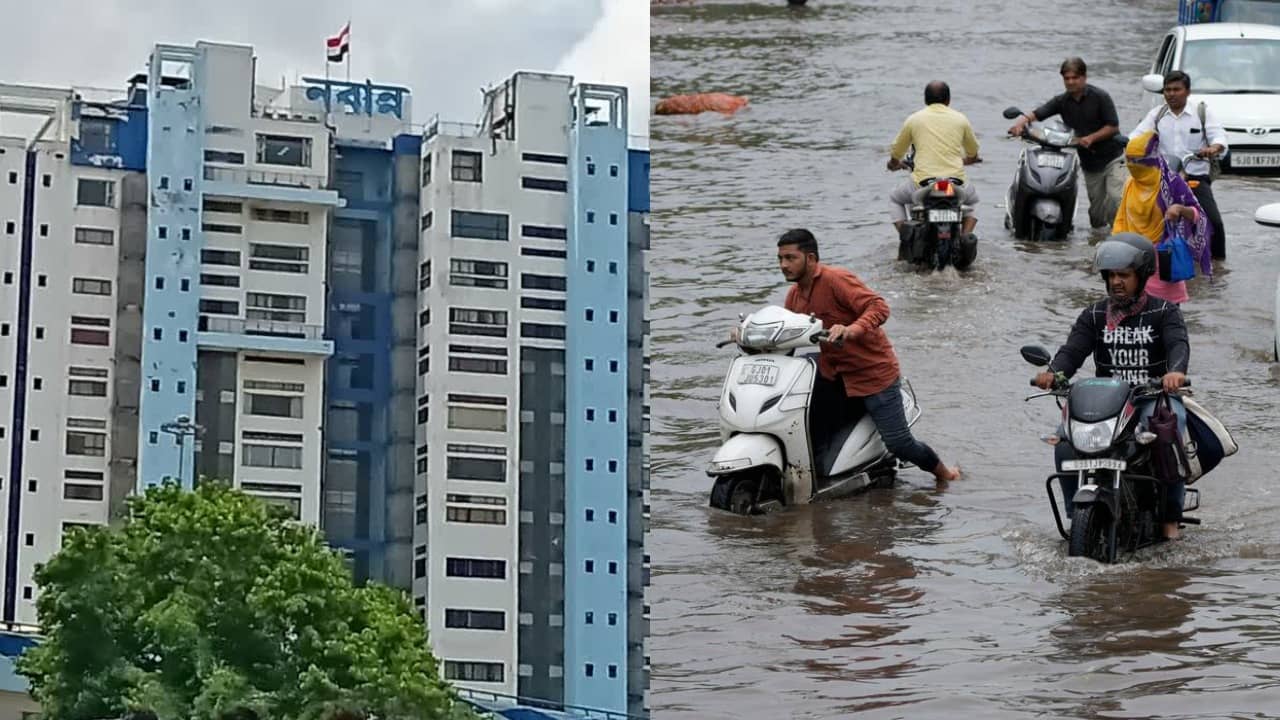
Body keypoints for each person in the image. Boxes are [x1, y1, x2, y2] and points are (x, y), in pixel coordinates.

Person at [1033, 233, 1190, 540]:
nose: (1116, 282)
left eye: (1124, 275)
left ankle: (1171, 519)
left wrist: (1175, 373)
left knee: (1169, 436)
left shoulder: (1164, 312)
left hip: (1152, 399)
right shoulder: (1093, 315)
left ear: (1142, 276)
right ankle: (1074, 516)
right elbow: (1072, 352)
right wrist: (1053, 373)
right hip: (1106, 401)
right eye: (1111, 275)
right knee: (1064, 439)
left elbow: (1178, 345)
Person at [774, 229, 960, 483]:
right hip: (834, 373)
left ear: (811, 258)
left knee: (900, 444)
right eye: (781, 259)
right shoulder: (794, 296)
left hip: (872, 373)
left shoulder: (835, 280)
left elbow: (879, 307)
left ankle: (945, 474)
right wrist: (747, 336)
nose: (784, 265)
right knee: (801, 427)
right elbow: (786, 335)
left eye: (790, 258)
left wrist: (852, 330)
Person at [1007, 57, 1127, 229]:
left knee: (1116, 199)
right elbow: (1039, 113)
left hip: (1113, 159)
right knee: (1096, 214)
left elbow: (1113, 127)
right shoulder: (1062, 101)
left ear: (1084, 77)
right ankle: (1097, 240)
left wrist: (1091, 138)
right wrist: (1020, 124)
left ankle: (1119, 237)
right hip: (1089, 163)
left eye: (1075, 78)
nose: (1071, 82)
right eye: (1067, 78)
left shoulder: (1100, 97)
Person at [1130, 70, 1229, 260]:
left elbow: (1219, 136)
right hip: (1164, 178)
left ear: (1188, 92)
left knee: (1214, 222)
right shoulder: (1157, 114)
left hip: (1195, 177)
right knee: (1145, 218)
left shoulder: (1201, 112)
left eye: (1176, 89)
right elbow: (1137, 136)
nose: (1171, 94)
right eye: (1167, 90)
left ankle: (1218, 266)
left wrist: (1213, 148)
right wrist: (1135, 148)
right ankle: (1147, 260)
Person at [1112, 131, 1212, 305]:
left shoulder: (1173, 184)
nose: (1131, 166)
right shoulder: (1130, 184)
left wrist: (1179, 209)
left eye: (1136, 162)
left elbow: (1198, 215)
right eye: (1128, 161)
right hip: (1131, 262)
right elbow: (1121, 218)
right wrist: (1114, 247)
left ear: (1150, 162)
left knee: (1165, 320)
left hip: (1163, 263)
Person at [887, 80, 981, 239]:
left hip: (922, 183)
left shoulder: (914, 119)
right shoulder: (960, 119)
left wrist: (894, 163)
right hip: (955, 183)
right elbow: (973, 152)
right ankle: (965, 237)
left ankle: (907, 237)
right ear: (948, 100)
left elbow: (897, 152)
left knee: (894, 199)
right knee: (973, 201)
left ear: (925, 100)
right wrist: (969, 159)